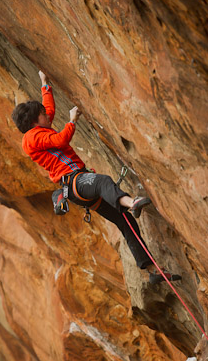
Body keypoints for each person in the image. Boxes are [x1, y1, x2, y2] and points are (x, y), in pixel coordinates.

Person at [12, 70, 181, 285]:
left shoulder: (39, 131)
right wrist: (72, 121)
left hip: (76, 187)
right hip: (74, 182)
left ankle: (151, 270)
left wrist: (45, 83)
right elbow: (62, 140)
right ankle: (132, 202)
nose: (48, 115)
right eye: (43, 115)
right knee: (102, 182)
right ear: (36, 122)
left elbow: (50, 110)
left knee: (124, 221)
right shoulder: (32, 138)